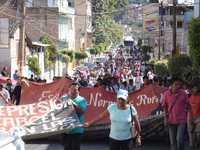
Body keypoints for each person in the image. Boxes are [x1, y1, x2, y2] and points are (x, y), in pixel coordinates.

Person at [163, 78, 188, 150]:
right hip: (171, 120)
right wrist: (165, 118)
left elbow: (188, 104)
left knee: (179, 139)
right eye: (176, 84)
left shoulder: (184, 93)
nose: (178, 86)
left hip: (181, 120)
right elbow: (165, 106)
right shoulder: (166, 94)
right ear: (171, 85)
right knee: (173, 142)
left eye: (179, 84)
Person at [61, 82, 87, 150]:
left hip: (76, 130)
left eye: (75, 89)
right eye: (71, 89)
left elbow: (81, 112)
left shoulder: (82, 100)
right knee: (66, 148)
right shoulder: (63, 98)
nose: (73, 91)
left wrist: (72, 103)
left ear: (78, 91)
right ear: (69, 89)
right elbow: (58, 110)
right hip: (65, 129)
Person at [187, 84, 200, 148]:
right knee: (190, 131)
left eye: (196, 88)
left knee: (198, 133)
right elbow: (188, 106)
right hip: (190, 115)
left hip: (198, 116)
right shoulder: (189, 96)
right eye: (194, 88)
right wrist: (190, 115)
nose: (195, 90)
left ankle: (197, 142)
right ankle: (192, 144)